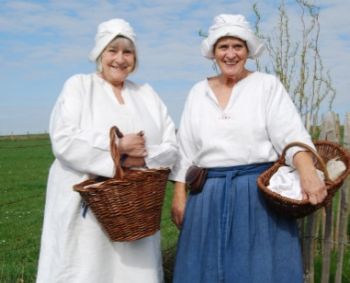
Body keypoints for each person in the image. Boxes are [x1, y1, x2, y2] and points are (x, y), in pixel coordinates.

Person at [170, 14, 327, 283]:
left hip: (256, 196)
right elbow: (185, 148)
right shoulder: (198, 92)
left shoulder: (266, 86)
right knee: (203, 271)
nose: (230, 54)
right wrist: (179, 194)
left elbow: (291, 135)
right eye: (223, 47)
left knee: (260, 271)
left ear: (248, 51)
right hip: (207, 195)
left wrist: (308, 172)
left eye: (237, 47)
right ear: (213, 53)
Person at [36, 18, 177, 283]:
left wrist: (142, 156)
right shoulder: (79, 86)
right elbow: (64, 140)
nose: (120, 59)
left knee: (135, 271)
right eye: (112, 50)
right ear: (100, 53)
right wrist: (118, 148)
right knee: (86, 269)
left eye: (128, 52)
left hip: (136, 209)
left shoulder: (147, 94)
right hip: (86, 205)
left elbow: (171, 147)